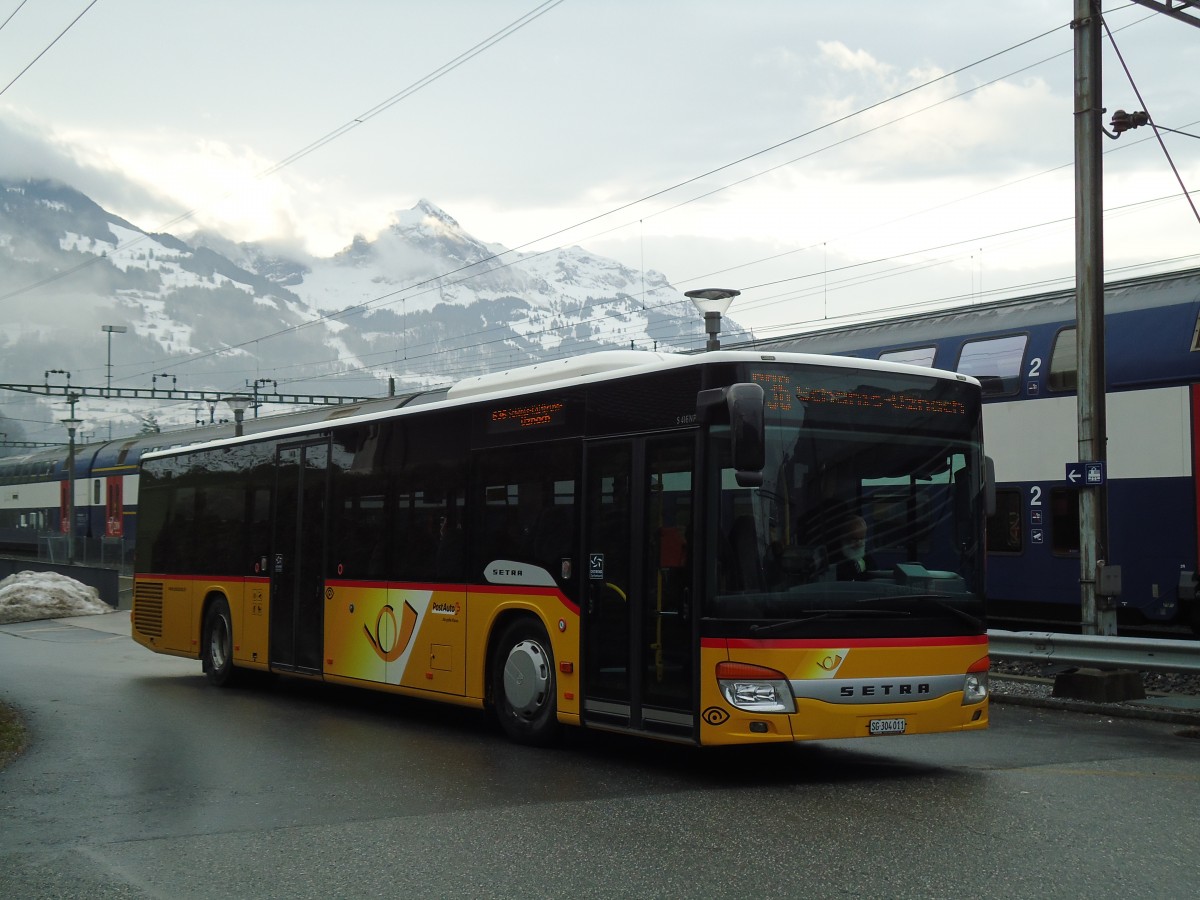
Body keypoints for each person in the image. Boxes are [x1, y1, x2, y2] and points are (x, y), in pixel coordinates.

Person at [833, 515, 873, 580]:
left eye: (862, 538)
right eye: (855, 539)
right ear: (845, 537)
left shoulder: (866, 555)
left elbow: (874, 572)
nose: (859, 543)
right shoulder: (837, 561)